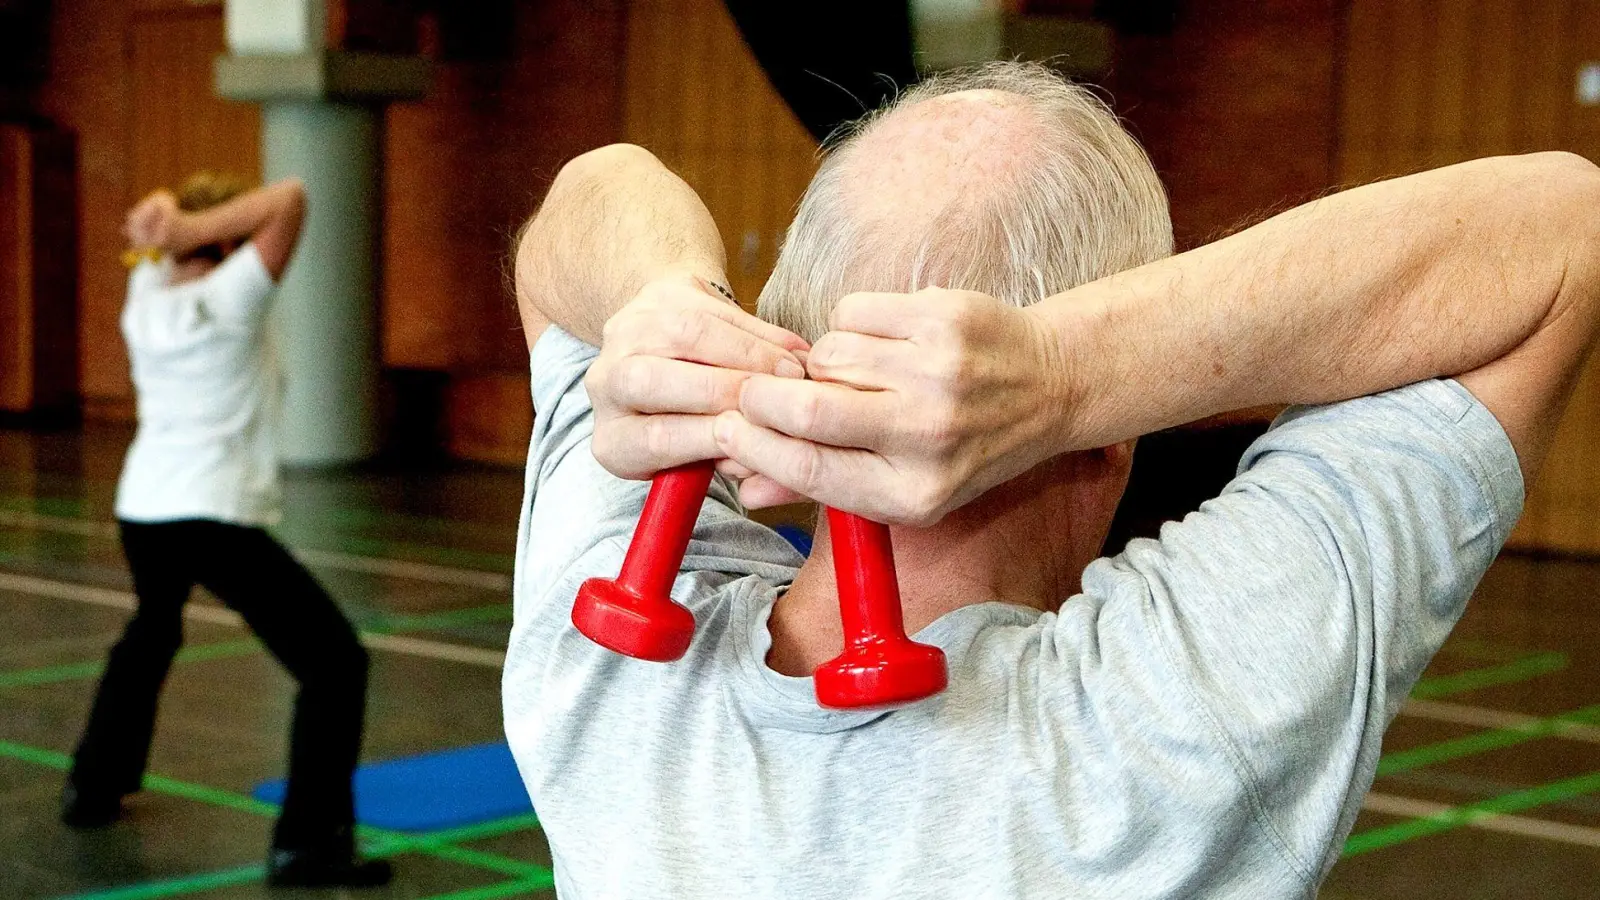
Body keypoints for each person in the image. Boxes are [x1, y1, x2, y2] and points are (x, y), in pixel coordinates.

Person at [502, 62, 1600, 897]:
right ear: (1117, 435)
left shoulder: (595, 665)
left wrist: (663, 294)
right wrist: (1077, 370)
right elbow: (1562, 224)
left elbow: (587, 199)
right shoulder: (1169, 712)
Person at [64, 173, 391, 889]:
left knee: (152, 630)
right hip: (209, 514)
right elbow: (296, 196)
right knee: (335, 664)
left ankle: (92, 784)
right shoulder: (232, 296)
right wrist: (184, 225)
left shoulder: (145, 296)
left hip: (144, 508)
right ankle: (308, 843)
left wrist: (162, 220)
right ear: (229, 240)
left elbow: (151, 228)